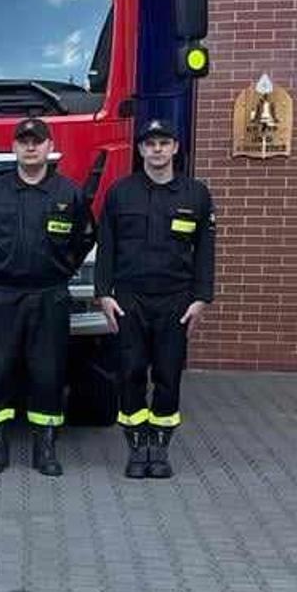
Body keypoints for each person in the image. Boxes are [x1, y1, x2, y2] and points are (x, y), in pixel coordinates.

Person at [0, 117, 95, 476]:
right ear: (14, 147)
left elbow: (84, 238)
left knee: (48, 372)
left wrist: (62, 270)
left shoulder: (68, 193)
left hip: (48, 295)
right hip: (2, 295)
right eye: (24, 141)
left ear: (48, 146)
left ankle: (45, 447)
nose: (30, 147)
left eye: (37, 141)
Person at [96, 119, 215, 479]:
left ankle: (160, 448)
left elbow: (205, 250)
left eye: (164, 143)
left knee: (167, 374)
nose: (158, 149)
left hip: (175, 300)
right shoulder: (120, 192)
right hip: (130, 299)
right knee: (130, 373)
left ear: (176, 148)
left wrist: (201, 298)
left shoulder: (195, 194)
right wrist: (103, 293)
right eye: (151, 144)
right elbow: (107, 246)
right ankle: (136, 447)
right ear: (141, 149)